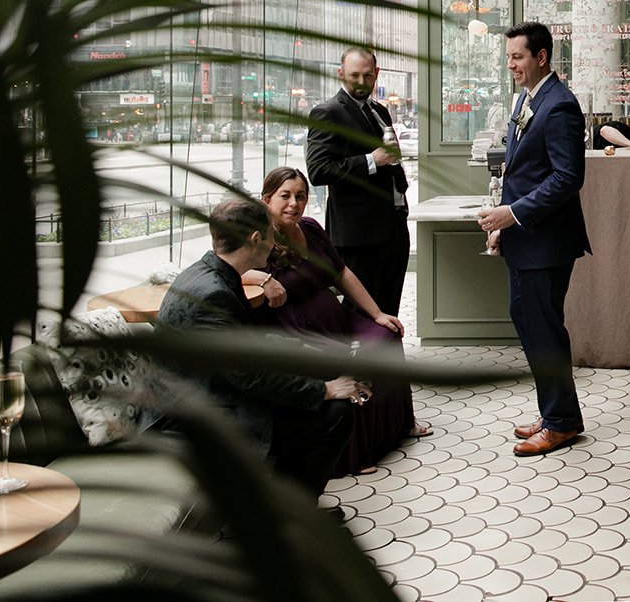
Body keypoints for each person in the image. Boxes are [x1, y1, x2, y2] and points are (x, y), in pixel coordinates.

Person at [145, 196, 369, 496]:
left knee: (323, 401)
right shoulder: (214, 293)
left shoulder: (210, 272)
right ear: (255, 240)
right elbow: (251, 377)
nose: (274, 243)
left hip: (211, 394)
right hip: (191, 418)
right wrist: (324, 390)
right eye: (271, 236)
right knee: (335, 415)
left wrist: (305, 351)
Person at [244, 166, 431, 474]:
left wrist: (377, 313)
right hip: (296, 328)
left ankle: (398, 428)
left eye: (300, 196)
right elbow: (234, 269)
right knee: (350, 357)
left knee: (386, 335)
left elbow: (342, 273)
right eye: (285, 196)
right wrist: (264, 280)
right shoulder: (259, 239)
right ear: (266, 200)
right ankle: (354, 453)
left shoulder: (312, 228)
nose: (294, 203)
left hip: (337, 320)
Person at [476, 21, 590, 457]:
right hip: (525, 239)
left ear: (542, 57)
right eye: (508, 58)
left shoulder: (559, 105)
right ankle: (555, 410)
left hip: (546, 242)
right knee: (530, 323)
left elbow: (567, 177)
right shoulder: (528, 99)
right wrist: (504, 227)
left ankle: (561, 422)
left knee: (543, 330)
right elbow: (521, 170)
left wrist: (512, 214)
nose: (511, 65)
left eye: (517, 57)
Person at [305, 48, 411, 320]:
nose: (361, 82)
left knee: (389, 311)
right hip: (357, 237)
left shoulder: (379, 110)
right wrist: (371, 160)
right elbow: (318, 170)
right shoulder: (327, 112)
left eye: (367, 76)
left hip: (392, 230)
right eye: (354, 76)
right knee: (360, 317)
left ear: (377, 74)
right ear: (341, 74)